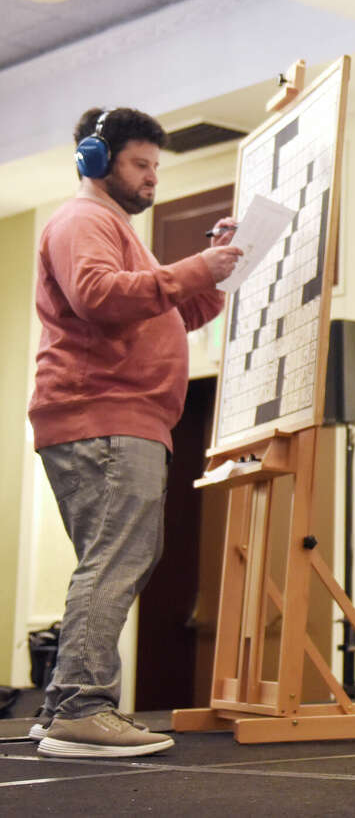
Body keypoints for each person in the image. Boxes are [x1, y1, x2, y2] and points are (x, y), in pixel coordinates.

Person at [28, 107, 243, 758]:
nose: (152, 179)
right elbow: (100, 296)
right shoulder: (84, 219)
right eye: (140, 165)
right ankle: (82, 709)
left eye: (156, 167)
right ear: (97, 161)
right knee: (119, 559)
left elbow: (177, 304)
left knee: (113, 558)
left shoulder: (115, 228)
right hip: (107, 414)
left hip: (115, 417)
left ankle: (66, 704)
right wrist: (196, 267)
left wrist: (215, 267)